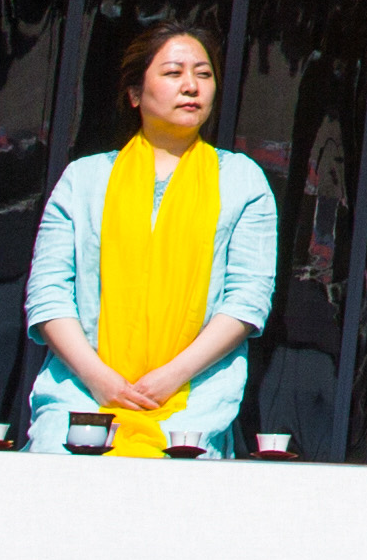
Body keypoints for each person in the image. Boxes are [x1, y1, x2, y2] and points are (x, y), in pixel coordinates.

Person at [22, 23, 278, 457]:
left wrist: (170, 378)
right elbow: (48, 295)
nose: (192, 86)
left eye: (204, 73)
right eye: (174, 73)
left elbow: (247, 300)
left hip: (191, 408)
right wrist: (101, 380)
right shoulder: (84, 180)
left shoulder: (241, 180)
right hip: (82, 401)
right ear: (135, 93)